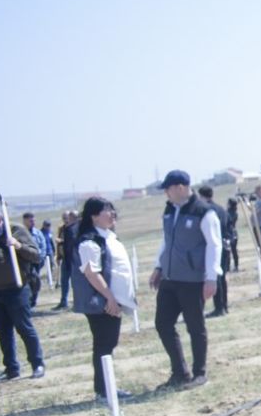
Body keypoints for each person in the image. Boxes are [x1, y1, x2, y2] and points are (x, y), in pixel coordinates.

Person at [150, 170, 221, 389]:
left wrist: (211, 278)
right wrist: (158, 266)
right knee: (163, 324)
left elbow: (214, 245)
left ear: (180, 187)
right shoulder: (169, 210)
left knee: (195, 326)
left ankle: (200, 372)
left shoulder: (204, 212)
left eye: (168, 189)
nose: (166, 194)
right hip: (169, 278)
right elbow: (166, 240)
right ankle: (180, 372)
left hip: (193, 280)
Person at [72, 197, 136, 402]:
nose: (112, 213)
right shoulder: (89, 242)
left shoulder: (109, 237)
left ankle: (106, 387)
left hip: (113, 301)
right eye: (106, 210)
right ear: (93, 216)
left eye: (112, 209)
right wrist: (110, 298)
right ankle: (104, 390)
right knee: (104, 345)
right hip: (101, 303)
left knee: (108, 343)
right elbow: (92, 274)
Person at [0, 206, 45, 381]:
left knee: (24, 327)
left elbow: (36, 256)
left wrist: (18, 245)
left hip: (16, 289)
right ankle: (11, 369)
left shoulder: (16, 230)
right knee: (3, 331)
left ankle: (37, 364)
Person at [198, 185, 231, 317]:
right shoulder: (221, 209)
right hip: (225, 245)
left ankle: (219, 307)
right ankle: (224, 305)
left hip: (215, 246)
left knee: (215, 276)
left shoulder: (207, 210)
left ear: (201, 196)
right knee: (222, 278)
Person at [19, 211, 48, 307]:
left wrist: (40, 259)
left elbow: (43, 247)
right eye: (30, 221)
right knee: (25, 282)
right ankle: (26, 301)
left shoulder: (38, 233)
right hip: (24, 263)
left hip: (36, 263)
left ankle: (33, 301)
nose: (33, 223)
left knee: (35, 282)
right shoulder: (20, 233)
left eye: (34, 221)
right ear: (25, 221)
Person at [55, 209, 79, 310]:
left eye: (67, 218)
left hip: (73, 259)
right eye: (64, 218)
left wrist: (62, 242)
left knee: (75, 281)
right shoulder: (62, 228)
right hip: (65, 258)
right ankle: (63, 301)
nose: (65, 220)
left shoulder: (75, 228)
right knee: (64, 281)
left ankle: (76, 301)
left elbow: (72, 243)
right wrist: (58, 256)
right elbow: (62, 245)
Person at [224, 196, 240, 272]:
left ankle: (228, 267)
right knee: (234, 250)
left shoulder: (227, 213)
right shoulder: (235, 213)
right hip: (234, 232)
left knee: (228, 250)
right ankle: (236, 266)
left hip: (229, 233)